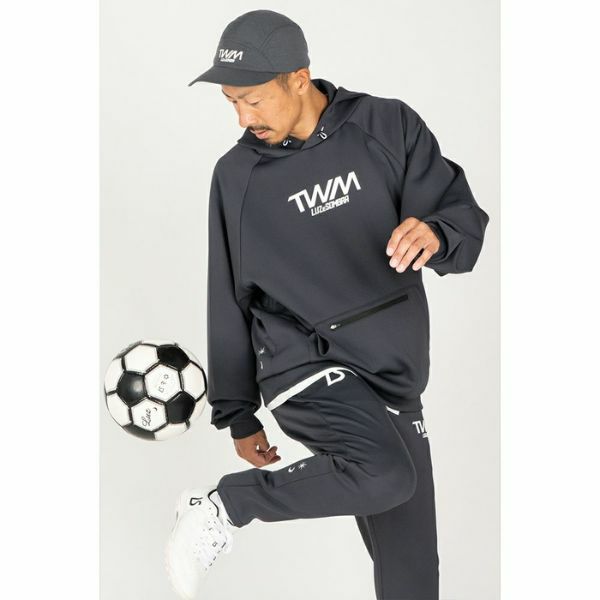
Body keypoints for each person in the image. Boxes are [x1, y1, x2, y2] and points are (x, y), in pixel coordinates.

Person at [165, 9, 489, 600]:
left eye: (253, 100)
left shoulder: (386, 126)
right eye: (231, 103)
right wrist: (237, 412)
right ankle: (223, 507)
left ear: (299, 78)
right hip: (302, 362)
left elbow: (458, 215)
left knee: (413, 577)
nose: (242, 118)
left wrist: (438, 233)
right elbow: (228, 293)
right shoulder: (237, 175)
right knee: (384, 473)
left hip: (392, 371)